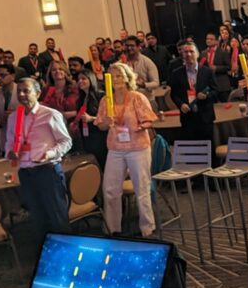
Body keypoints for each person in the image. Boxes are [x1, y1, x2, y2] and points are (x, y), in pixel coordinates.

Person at [0, 77, 72, 243]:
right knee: (38, 217)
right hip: (26, 171)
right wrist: (10, 152)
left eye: (27, 91)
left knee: (57, 217)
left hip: (47, 170)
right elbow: (10, 141)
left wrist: (50, 154)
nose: (22, 95)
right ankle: (45, 252)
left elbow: (66, 141)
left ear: (38, 93)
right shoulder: (13, 118)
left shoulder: (50, 115)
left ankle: (67, 254)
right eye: (19, 92)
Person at [94, 63, 159, 237]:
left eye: (119, 76)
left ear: (127, 77)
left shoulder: (137, 97)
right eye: (112, 76)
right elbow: (100, 125)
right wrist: (105, 123)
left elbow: (150, 120)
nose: (116, 80)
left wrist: (139, 126)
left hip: (137, 147)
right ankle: (113, 227)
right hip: (115, 148)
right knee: (110, 189)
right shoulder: (105, 100)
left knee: (141, 188)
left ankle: (147, 226)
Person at [168, 41, 215, 144]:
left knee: (208, 148)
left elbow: (215, 90)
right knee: (191, 148)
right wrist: (181, 104)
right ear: (182, 55)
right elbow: (173, 94)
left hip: (205, 116)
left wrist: (206, 95)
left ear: (197, 54)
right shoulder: (176, 73)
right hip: (187, 116)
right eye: (186, 52)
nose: (189, 54)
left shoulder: (207, 72)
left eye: (191, 51)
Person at [71, 72, 107, 165]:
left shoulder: (101, 96)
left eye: (83, 78)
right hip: (87, 136)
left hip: (99, 135)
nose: (80, 81)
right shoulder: (81, 99)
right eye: (78, 79)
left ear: (91, 79)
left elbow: (108, 117)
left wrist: (91, 118)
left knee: (103, 162)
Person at [41, 62, 80, 126]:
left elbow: (85, 108)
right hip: (53, 125)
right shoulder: (45, 90)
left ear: (65, 72)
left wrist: (68, 114)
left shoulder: (76, 88)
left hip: (74, 125)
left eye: (60, 69)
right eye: (54, 70)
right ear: (50, 73)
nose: (57, 71)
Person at [199, 32, 233, 100]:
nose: (208, 40)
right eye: (207, 39)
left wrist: (216, 68)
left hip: (222, 85)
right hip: (209, 87)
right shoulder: (203, 53)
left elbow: (229, 67)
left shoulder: (223, 52)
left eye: (211, 39)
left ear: (217, 41)